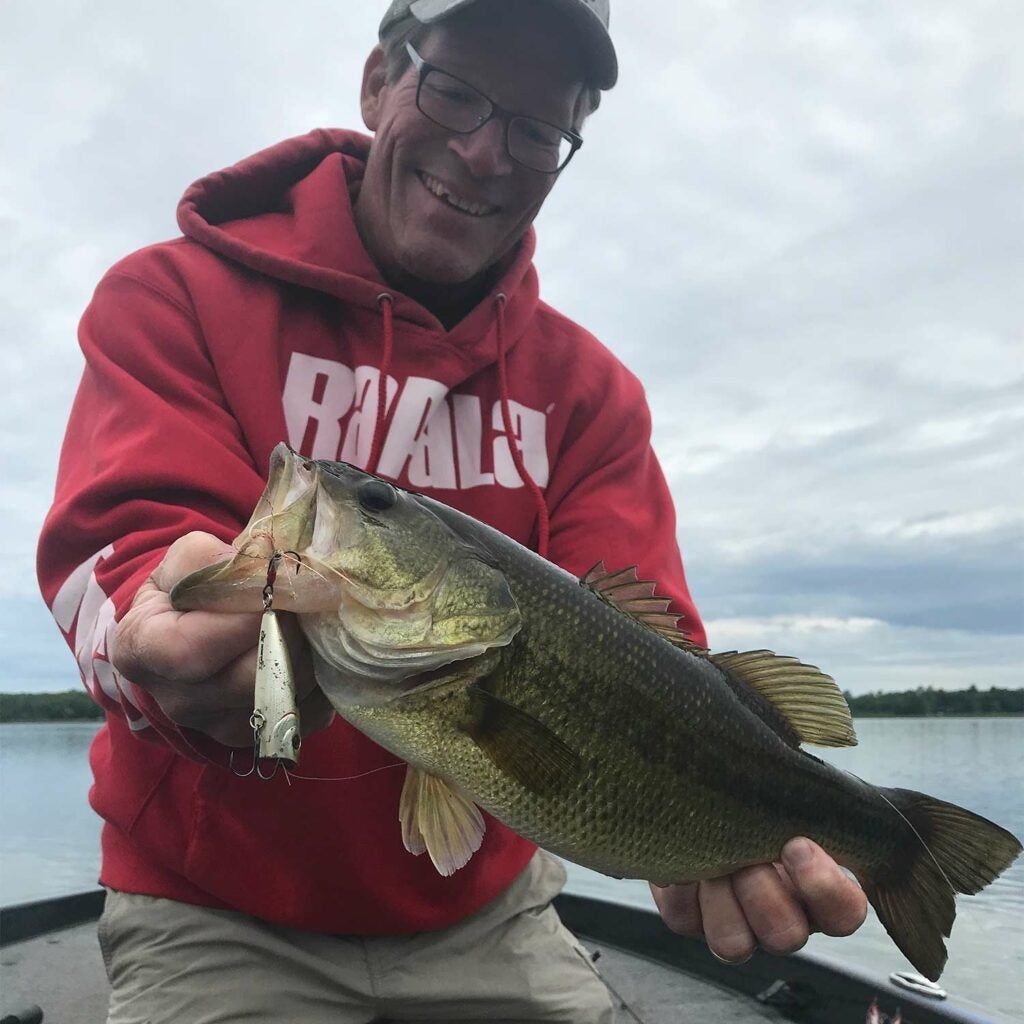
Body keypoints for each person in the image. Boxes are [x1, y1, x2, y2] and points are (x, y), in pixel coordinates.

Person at [37, 1, 867, 1021]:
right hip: (211, 906)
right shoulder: (173, 295)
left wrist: (689, 835)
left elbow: (651, 659)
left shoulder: (592, 393)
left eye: (534, 129)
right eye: (456, 92)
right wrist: (158, 644)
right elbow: (128, 555)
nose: (484, 153)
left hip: (492, 914)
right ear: (381, 80)